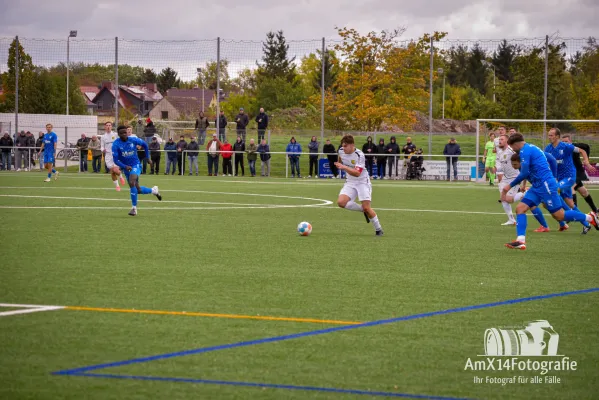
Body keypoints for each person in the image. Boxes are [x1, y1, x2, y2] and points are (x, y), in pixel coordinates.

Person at [503, 133, 598, 250]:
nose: (512, 150)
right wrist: (553, 176)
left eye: (512, 147)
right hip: (537, 186)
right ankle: (520, 241)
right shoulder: (532, 148)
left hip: (546, 185)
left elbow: (525, 173)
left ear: (516, 144)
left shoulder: (525, 151)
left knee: (559, 216)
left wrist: (509, 186)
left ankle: (590, 218)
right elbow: (552, 159)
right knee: (520, 209)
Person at [544, 128, 595, 232]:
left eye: (551, 135)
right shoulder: (548, 149)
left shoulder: (565, 146)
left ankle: (563, 221)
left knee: (553, 190)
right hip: (559, 178)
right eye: (548, 135)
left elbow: (582, 150)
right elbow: (545, 162)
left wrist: (587, 162)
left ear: (557, 136)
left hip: (569, 177)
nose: (549, 137)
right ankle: (586, 223)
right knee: (570, 204)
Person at [334, 134, 383, 236]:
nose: (344, 148)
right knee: (341, 202)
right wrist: (339, 164)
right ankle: (363, 210)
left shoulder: (359, 155)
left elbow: (357, 173)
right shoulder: (341, 151)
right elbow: (340, 158)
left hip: (362, 182)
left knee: (367, 208)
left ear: (352, 145)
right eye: (343, 146)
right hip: (350, 182)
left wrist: (343, 167)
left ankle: (378, 229)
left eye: (346, 146)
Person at [112, 125, 162, 216]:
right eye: (122, 133)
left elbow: (145, 145)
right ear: (118, 134)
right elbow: (115, 160)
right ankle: (153, 190)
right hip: (126, 168)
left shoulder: (133, 140)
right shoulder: (115, 144)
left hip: (136, 165)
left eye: (125, 132)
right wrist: (124, 166)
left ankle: (134, 209)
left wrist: (147, 158)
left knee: (132, 181)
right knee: (137, 189)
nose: (124, 134)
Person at [561, 134, 598, 214]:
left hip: (577, 172)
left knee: (571, 188)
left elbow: (586, 147)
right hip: (569, 173)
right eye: (563, 142)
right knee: (583, 192)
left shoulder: (574, 147)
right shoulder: (562, 149)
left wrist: (586, 161)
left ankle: (574, 212)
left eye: (566, 141)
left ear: (570, 141)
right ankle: (595, 210)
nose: (565, 143)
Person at [100, 121, 126, 191]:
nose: (108, 126)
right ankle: (117, 186)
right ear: (105, 127)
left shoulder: (115, 135)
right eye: (107, 125)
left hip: (115, 155)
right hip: (108, 156)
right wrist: (103, 150)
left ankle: (120, 176)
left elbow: (120, 142)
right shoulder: (103, 137)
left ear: (111, 127)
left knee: (115, 170)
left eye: (109, 125)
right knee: (112, 171)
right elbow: (102, 147)